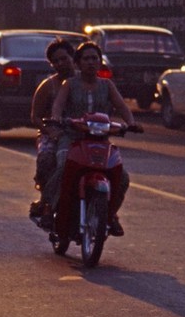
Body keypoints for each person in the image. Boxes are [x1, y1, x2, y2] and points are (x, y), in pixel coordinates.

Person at [47, 39, 140, 235]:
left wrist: (130, 122)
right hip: (71, 139)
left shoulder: (107, 85)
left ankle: (110, 215)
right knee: (64, 166)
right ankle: (49, 208)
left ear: (100, 62)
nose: (91, 62)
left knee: (121, 177)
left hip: (100, 141)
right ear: (78, 63)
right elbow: (58, 105)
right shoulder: (69, 84)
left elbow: (122, 106)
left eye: (94, 58)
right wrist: (56, 118)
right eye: (86, 59)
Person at [29, 38, 76, 220]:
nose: (60, 63)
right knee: (47, 160)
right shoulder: (48, 86)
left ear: (72, 57)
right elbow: (35, 117)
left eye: (64, 58)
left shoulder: (85, 82)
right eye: (56, 61)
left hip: (81, 133)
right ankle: (46, 202)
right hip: (53, 135)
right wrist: (51, 131)